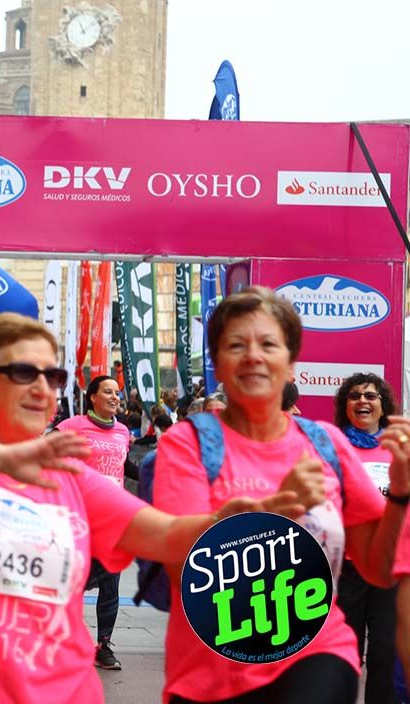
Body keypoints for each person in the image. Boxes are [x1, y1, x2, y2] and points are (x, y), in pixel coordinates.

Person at [0, 312, 316, 704]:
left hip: (62, 690)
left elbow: (163, 534)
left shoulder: (70, 479)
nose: (44, 389)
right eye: (26, 372)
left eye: (53, 377)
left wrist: (229, 521)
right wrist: (1, 458)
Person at [154, 288, 410, 704]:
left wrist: (401, 490)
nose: (253, 355)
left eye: (268, 344)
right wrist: (273, 511)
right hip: (212, 666)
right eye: (236, 345)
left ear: (291, 364)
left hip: (318, 650)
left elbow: (379, 570)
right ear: (218, 363)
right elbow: (178, 558)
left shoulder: (326, 443)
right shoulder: (188, 444)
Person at [55, 375, 134, 671]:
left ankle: (104, 645)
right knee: (72, 582)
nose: (115, 397)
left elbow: (126, 468)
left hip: (112, 520)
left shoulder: (124, 430)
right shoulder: (72, 427)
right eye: (109, 392)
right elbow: (47, 456)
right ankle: (62, 639)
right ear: (93, 398)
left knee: (111, 585)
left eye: (117, 393)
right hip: (78, 519)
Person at [334, 372, 401, 704]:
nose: (362, 400)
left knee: (386, 653)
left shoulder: (400, 448)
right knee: (343, 653)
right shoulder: (333, 449)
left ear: (382, 405)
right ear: (345, 405)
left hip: (391, 567)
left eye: (371, 396)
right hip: (347, 567)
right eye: (355, 395)